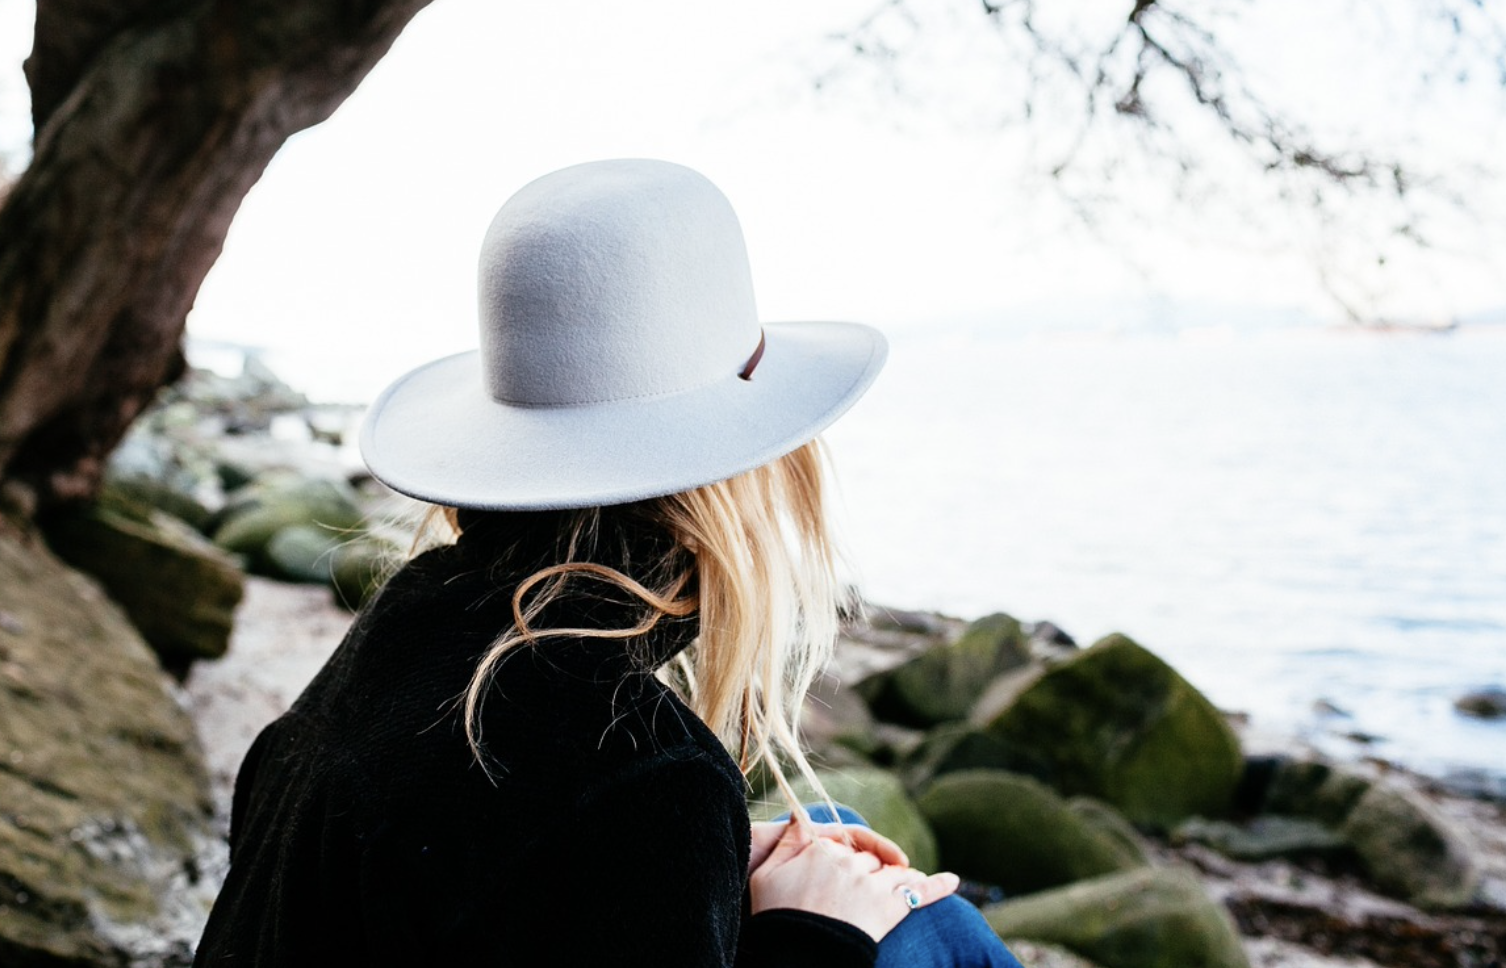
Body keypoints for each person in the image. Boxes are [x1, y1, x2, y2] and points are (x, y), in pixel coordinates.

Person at [193, 160, 1023, 967]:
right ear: (750, 478)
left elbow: (466, 874)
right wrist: (814, 937)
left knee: (829, 835)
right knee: (916, 924)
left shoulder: (404, 634)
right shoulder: (642, 774)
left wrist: (717, 863)